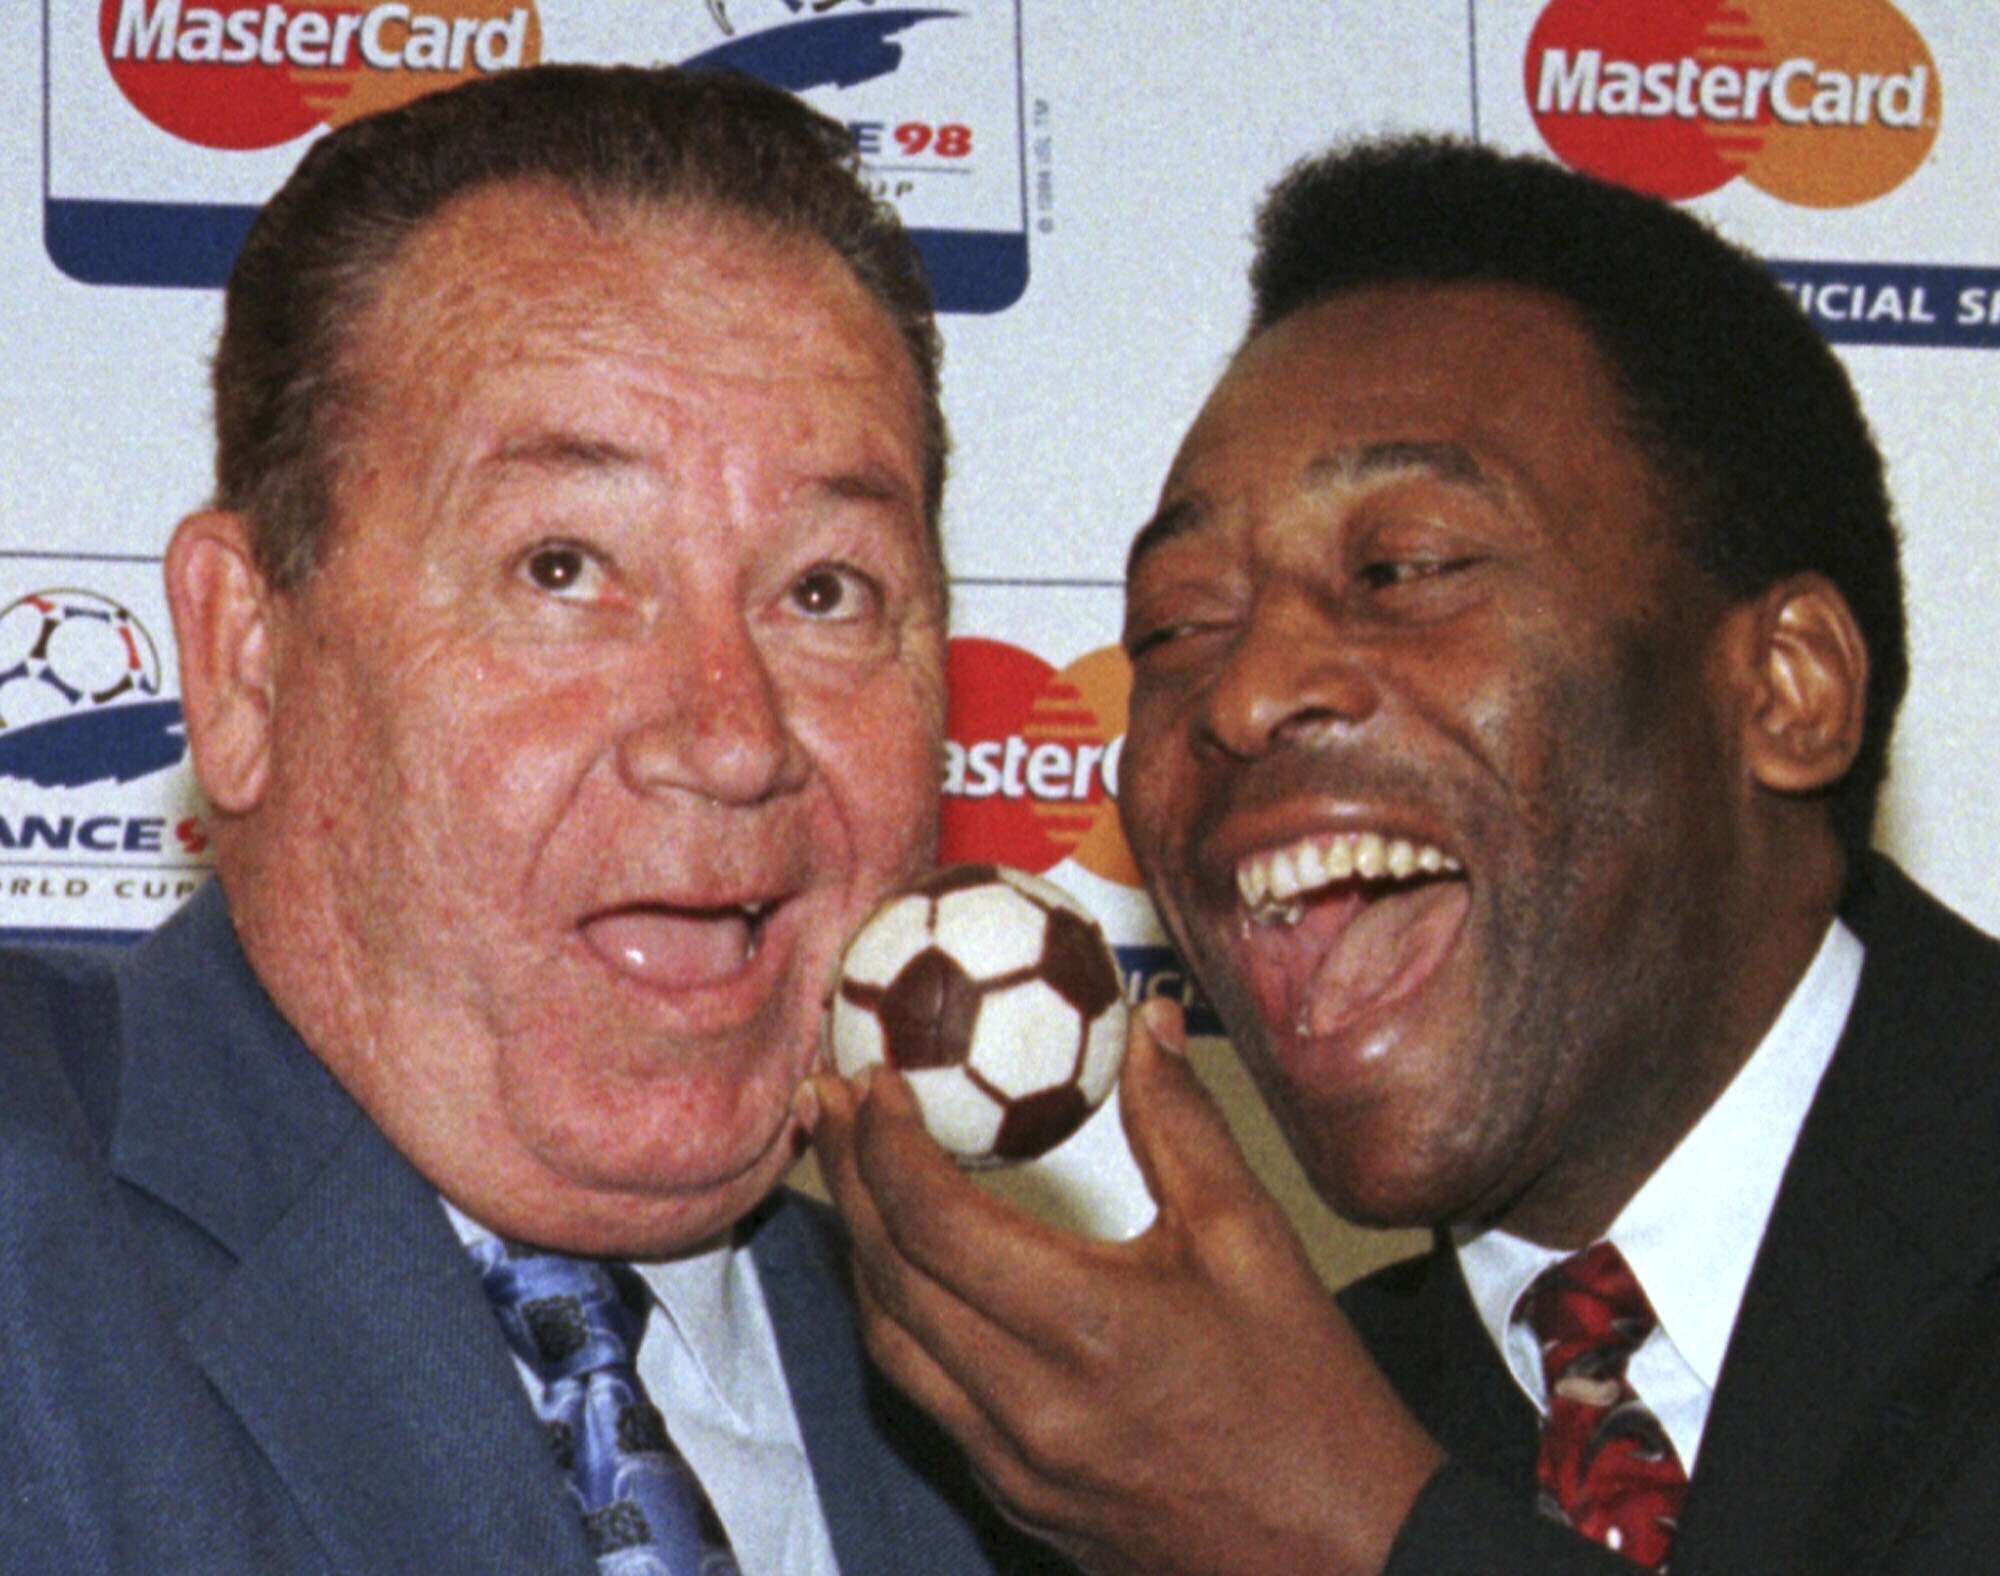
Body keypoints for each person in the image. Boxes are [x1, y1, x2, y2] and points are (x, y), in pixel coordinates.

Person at [810, 136, 2000, 1573]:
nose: (1240, 696)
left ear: (1786, 689)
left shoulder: (1284, 1485)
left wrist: (1350, 1538)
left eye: (1405, 571)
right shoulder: (1221, 1454)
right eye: (1175, 630)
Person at [0, 64, 1072, 1575]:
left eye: (824, 592)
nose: (731, 736)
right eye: (563, 569)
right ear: (246, 660)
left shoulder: (1032, 1441)